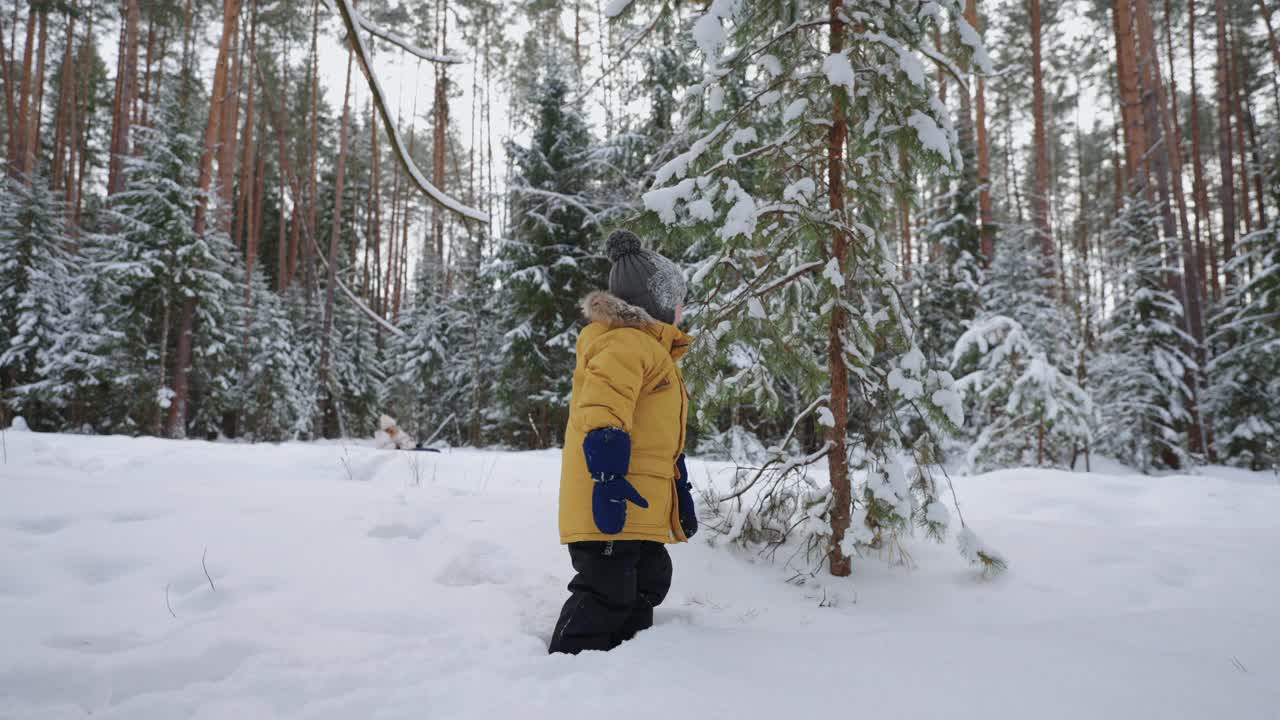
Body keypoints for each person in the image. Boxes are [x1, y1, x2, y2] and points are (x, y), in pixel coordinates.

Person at [547, 229, 699, 655]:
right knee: (607, 589)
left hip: (639, 502)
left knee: (648, 582)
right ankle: (567, 667)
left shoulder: (654, 353)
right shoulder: (627, 345)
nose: (683, 309)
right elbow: (602, 409)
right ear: (658, 303)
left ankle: (630, 660)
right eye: (678, 300)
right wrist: (607, 474)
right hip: (609, 495)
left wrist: (678, 488)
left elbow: (660, 436)